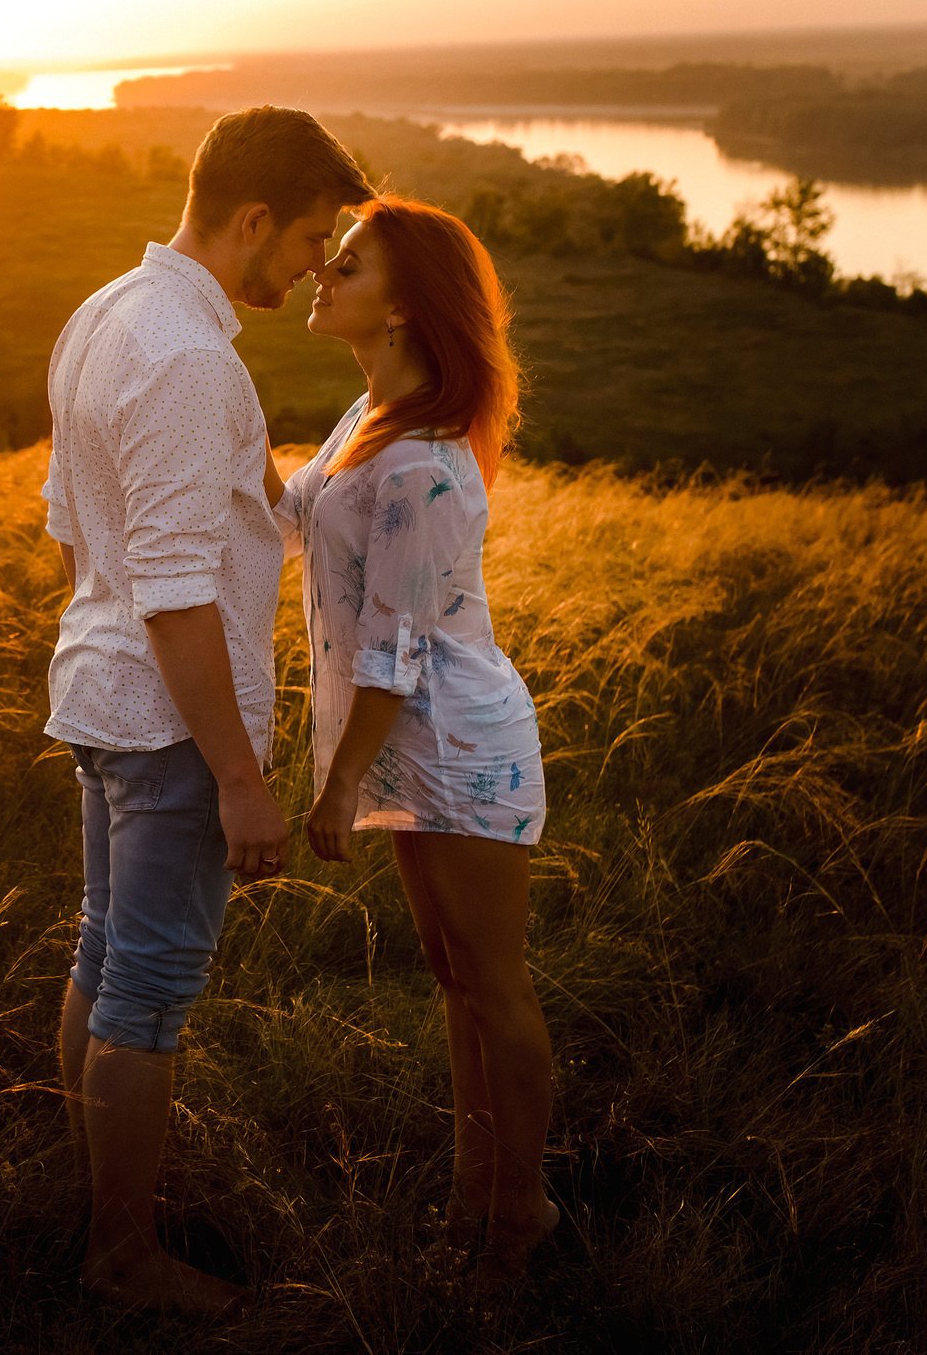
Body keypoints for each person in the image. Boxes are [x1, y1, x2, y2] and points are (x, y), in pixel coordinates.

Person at [40, 106, 374, 1312]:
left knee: (103, 952)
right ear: (250, 219)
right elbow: (178, 597)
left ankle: (93, 1202)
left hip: (98, 690)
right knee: (149, 989)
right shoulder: (187, 360)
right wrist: (239, 774)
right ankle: (121, 1253)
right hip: (170, 724)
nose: (311, 263)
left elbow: (79, 525)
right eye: (308, 236)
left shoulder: (107, 315)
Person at [271, 195, 558, 1284]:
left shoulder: (423, 463)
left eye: (344, 266)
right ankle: (468, 1195)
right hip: (406, 743)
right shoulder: (366, 419)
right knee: (452, 976)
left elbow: (396, 649)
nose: (320, 276)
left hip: (459, 745)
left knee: (494, 982)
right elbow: (290, 515)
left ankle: (519, 1210)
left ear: (402, 309)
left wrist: (338, 785)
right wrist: (210, 408)